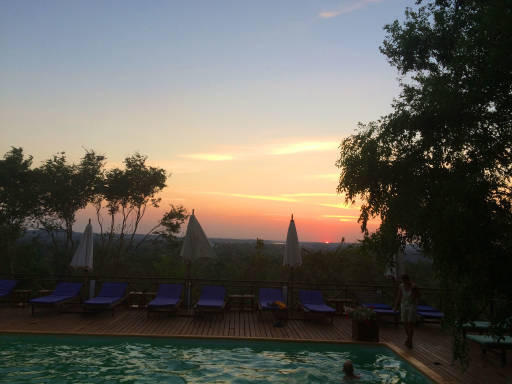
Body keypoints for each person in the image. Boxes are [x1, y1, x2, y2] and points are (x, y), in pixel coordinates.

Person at [394, 274, 419, 348]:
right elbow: (399, 296)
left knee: (410, 324)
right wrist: (396, 306)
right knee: (404, 323)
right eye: (403, 281)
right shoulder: (401, 286)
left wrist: (413, 297)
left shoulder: (414, 286)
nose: (404, 282)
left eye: (405, 280)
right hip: (403, 305)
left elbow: (418, 295)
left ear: (408, 280)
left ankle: (410, 341)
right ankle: (408, 337)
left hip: (411, 306)